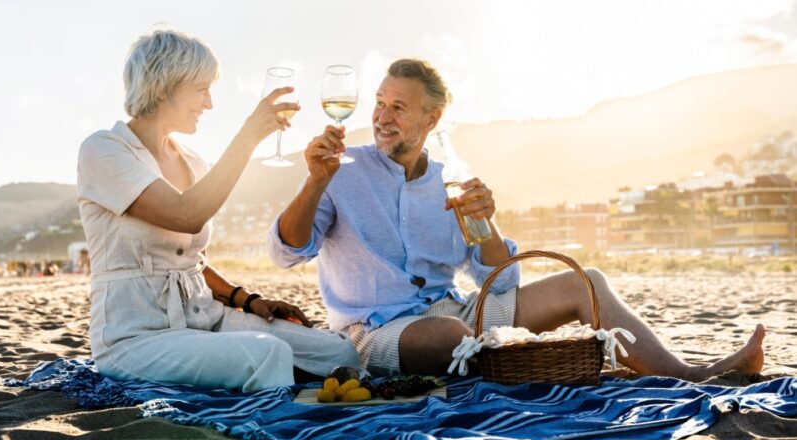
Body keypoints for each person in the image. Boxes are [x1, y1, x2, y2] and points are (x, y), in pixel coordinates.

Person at [268, 58, 765, 380]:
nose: (381, 117)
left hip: (457, 312)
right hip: (376, 330)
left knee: (586, 281)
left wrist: (489, 223)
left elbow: (500, 282)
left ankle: (689, 374)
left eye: (398, 107)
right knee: (450, 339)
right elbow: (286, 252)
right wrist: (314, 182)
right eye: (379, 103)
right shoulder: (339, 169)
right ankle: (532, 365)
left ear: (430, 119)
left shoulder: (449, 180)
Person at [77, 27, 359, 392]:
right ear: (163, 86)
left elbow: (189, 259)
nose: (209, 104)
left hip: (206, 318)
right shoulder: (104, 150)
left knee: (339, 353)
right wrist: (248, 136)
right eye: (201, 89)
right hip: (136, 337)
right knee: (267, 354)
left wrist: (246, 299)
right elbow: (185, 215)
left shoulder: (192, 160)